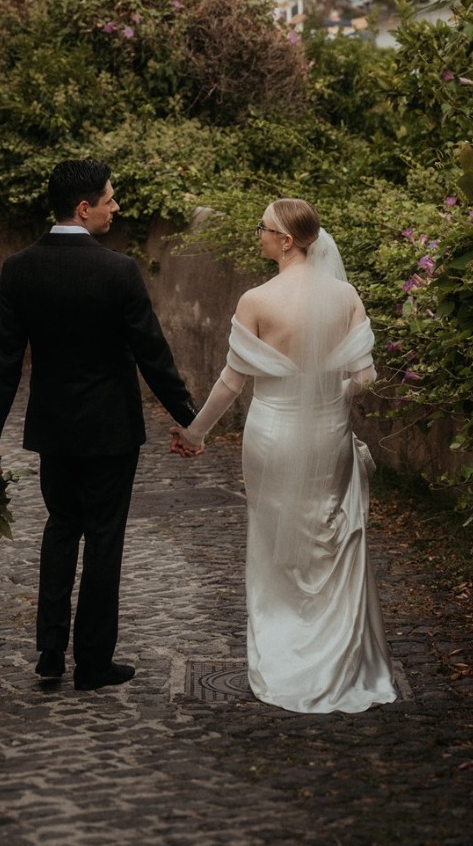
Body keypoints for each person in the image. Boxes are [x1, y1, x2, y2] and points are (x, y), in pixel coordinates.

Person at [0, 158, 198, 692]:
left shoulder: (19, 268)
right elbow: (153, 356)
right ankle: (93, 663)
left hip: (54, 430)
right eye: (109, 199)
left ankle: (50, 652)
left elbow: (5, 361)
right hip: (111, 433)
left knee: (59, 528)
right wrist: (192, 420)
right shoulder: (118, 271)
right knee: (103, 540)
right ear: (83, 207)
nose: (115, 208)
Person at [170, 197, 396, 714]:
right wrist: (328, 400)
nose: (259, 235)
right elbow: (364, 376)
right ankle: (338, 656)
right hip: (326, 431)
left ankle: (283, 650)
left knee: (274, 537)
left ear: (286, 241)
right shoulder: (345, 296)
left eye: (264, 228)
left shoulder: (257, 300)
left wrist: (195, 432)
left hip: (272, 431)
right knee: (329, 534)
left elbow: (231, 382)